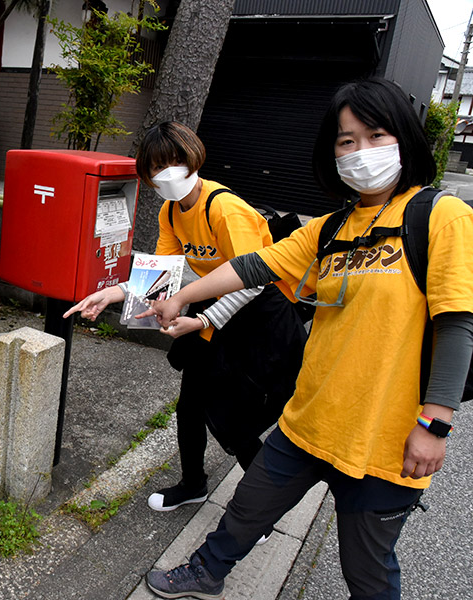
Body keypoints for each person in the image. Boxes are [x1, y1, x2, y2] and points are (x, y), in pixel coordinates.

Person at [142, 78, 473, 600]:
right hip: (311, 418)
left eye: (375, 135)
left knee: (365, 569)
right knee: (247, 509)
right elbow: (256, 264)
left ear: (404, 139)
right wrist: (182, 299)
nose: (360, 152)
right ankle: (207, 571)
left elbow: (457, 323)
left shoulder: (440, 215)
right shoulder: (331, 228)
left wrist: (435, 423)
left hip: (383, 439)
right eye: (346, 141)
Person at [64, 121, 306, 515]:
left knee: (234, 423)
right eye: (158, 168)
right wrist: (113, 292)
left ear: (194, 159)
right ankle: (193, 483)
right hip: (209, 314)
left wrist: (204, 321)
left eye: (176, 162)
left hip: (259, 321)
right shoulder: (170, 212)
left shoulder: (226, 209)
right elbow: (162, 274)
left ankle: (262, 510)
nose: (168, 174)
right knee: (190, 406)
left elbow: (253, 283)